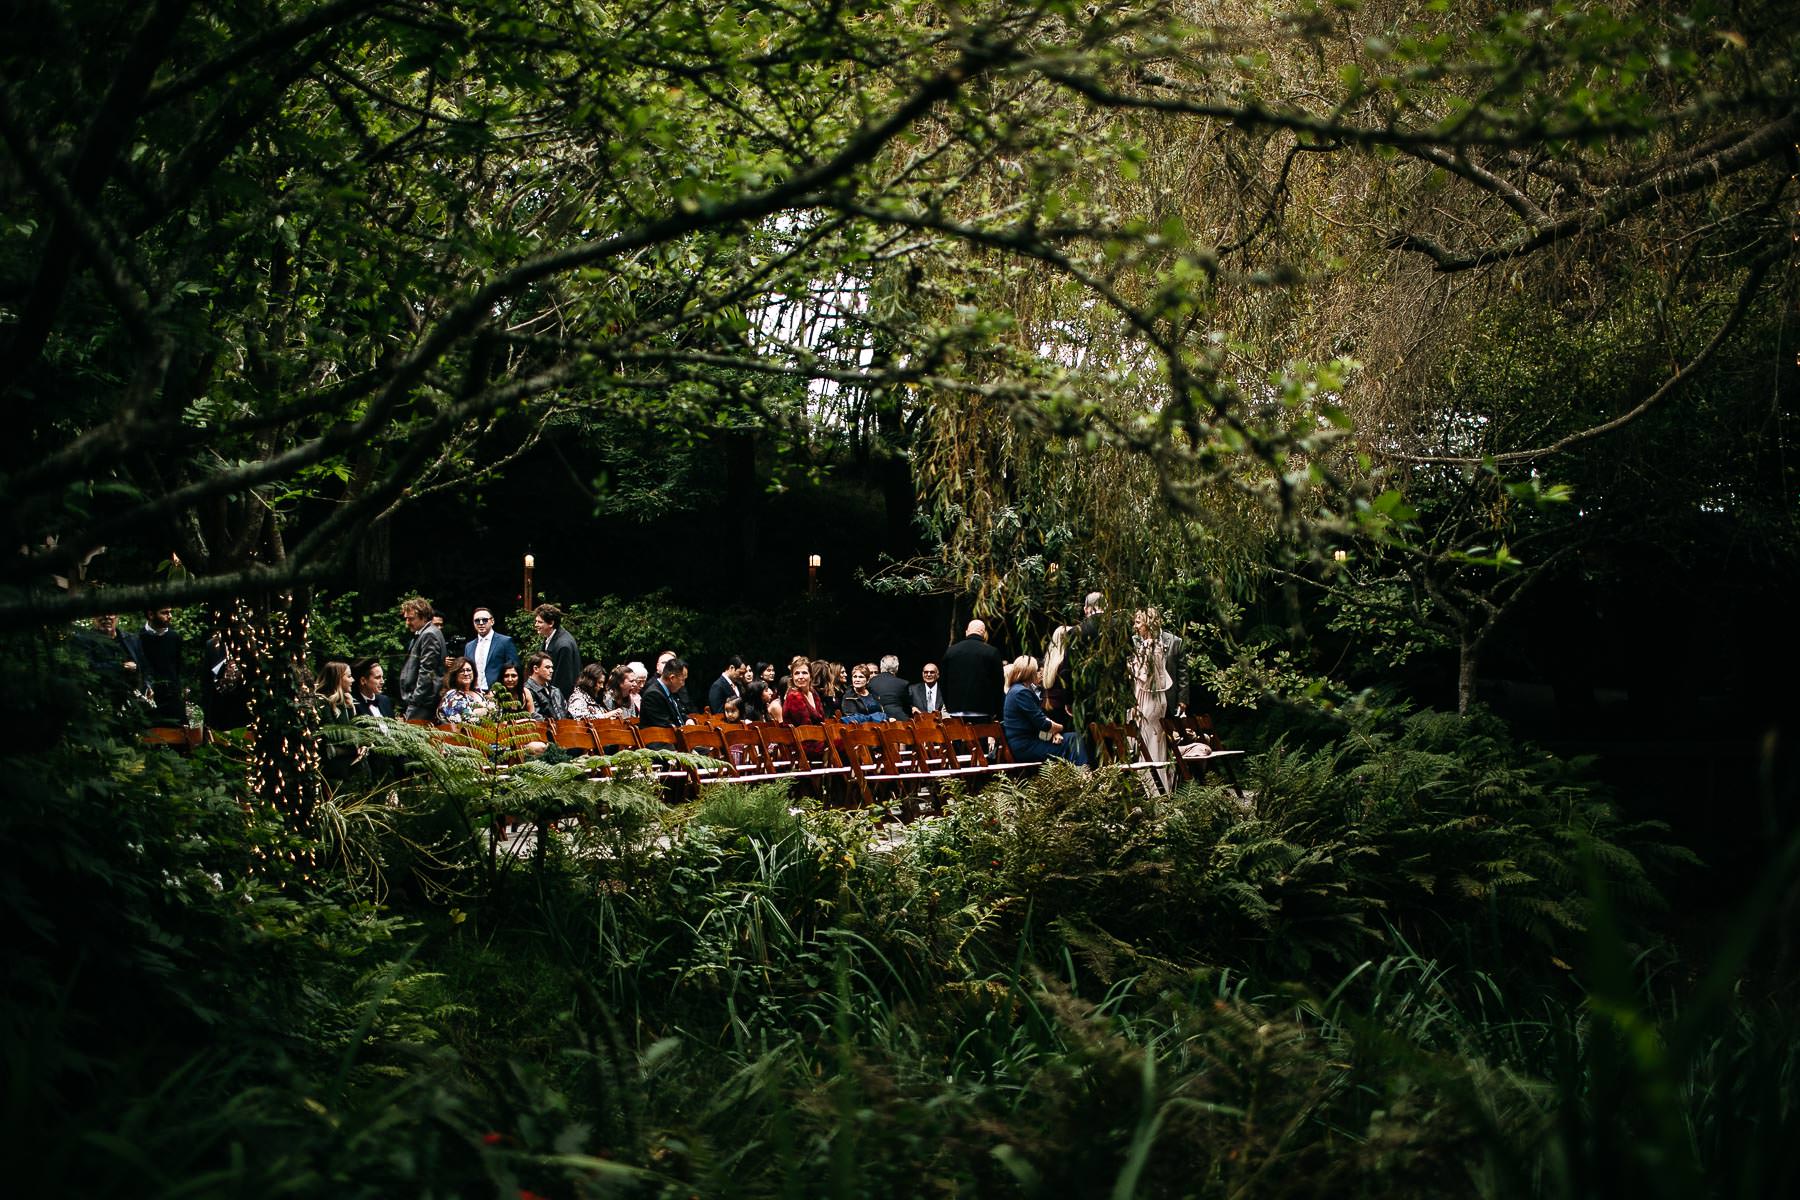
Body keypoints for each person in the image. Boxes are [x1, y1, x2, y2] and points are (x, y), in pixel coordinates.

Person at [1002, 656, 1085, 764]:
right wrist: (1060, 728)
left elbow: (1037, 723)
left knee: (1073, 737)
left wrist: (1053, 734)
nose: (1040, 673)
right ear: (1030, 673)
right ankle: (1084, 775)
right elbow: (1043, 723)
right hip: (1026, 747)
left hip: (1026, 743)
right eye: (1037, 671)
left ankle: (1080, 773)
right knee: (1075, 741)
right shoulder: (1021, 693)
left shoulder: (1015, 690)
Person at [1130, 608, 1174, 791]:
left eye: (1138, 622)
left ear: (1147, 624)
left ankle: (1153, 790)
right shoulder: (1156, 645)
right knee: (1156, 742)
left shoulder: (1149, 646)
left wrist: (1129, 667)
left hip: (1147, 698)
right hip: (1156, 699)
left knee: (1148, 743)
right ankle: (1159, 787)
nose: (1135, 626)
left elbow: (1145, 676)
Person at [940, 619, 1006, 721]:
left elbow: (943, 682)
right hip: (982, 710)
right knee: (980, 737)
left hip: (956, 711)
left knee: (957, 736)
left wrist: (949, 706)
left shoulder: (951, 652)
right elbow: (998, 684)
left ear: (967, 632)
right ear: (983, 633)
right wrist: (997, 711)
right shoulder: (992, 652)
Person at [397, 596, 447, 720]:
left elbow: (427, 671)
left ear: (424, 617)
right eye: (406, 619)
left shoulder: (429, 634)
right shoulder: (425, 633)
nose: (407, 623)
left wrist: (416, 699)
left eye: (411, 619)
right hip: (421, 700)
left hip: (423, 702)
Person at [139, 605, 186, 723]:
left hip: (173, 699)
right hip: (149, 699)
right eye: (164, 613)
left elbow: (178, 667)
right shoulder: (138, 639)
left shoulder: (175, 638)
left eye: (170, 612)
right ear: (151, 615)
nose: (169, 616)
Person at [464, 606, 520, 691]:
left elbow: (514, 668)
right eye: (477, 621)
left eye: (485, 620)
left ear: (492, 621)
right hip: (474, 692)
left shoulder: (505, 641)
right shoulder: (469, 646)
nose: (481, 623)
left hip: (498, 692)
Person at [533, 603, 581, 697]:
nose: (536, 625)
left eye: (540, 622)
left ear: (551, 623)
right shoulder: (550, 637)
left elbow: (563, 681)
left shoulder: (564, 646)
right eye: (536, 621)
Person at [437, 657, 495, 724]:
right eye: (461, 671)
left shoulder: (479, 692)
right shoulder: (452, 695)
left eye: (469, 670)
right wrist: (487, 710)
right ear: (455, 675)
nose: (466, 673)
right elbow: (466, 721)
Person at [640, 656, 690, 729]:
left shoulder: (671, 691)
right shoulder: (653, 695)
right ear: (672, 678)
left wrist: (688, 720)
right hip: (661, 738)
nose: (683, 684)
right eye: (682, 680)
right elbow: (665, 726)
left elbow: (679, 714)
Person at [523, 650, 568, 720]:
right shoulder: (527, 691)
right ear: (536, 669)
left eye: (551, 667)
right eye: (547, 667)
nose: (551, 670)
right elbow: (536, 719)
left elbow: (566, 715)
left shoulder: (555, 691)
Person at [868, 654, 911, 720]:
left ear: (881, 667)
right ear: (896, 667)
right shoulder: (903, 683)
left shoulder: (871, 682)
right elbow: (907, 707)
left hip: (878, 719)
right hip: (899, 720)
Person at [782, 661, 825, 727]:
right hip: (800, 735)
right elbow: (805, 725)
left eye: (804, 673)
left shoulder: (813, 693)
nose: (800, 677)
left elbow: (822, 719)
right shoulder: (793, 696)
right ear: (792, 677)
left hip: (816, 734)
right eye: (796, 673)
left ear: (811, 676)